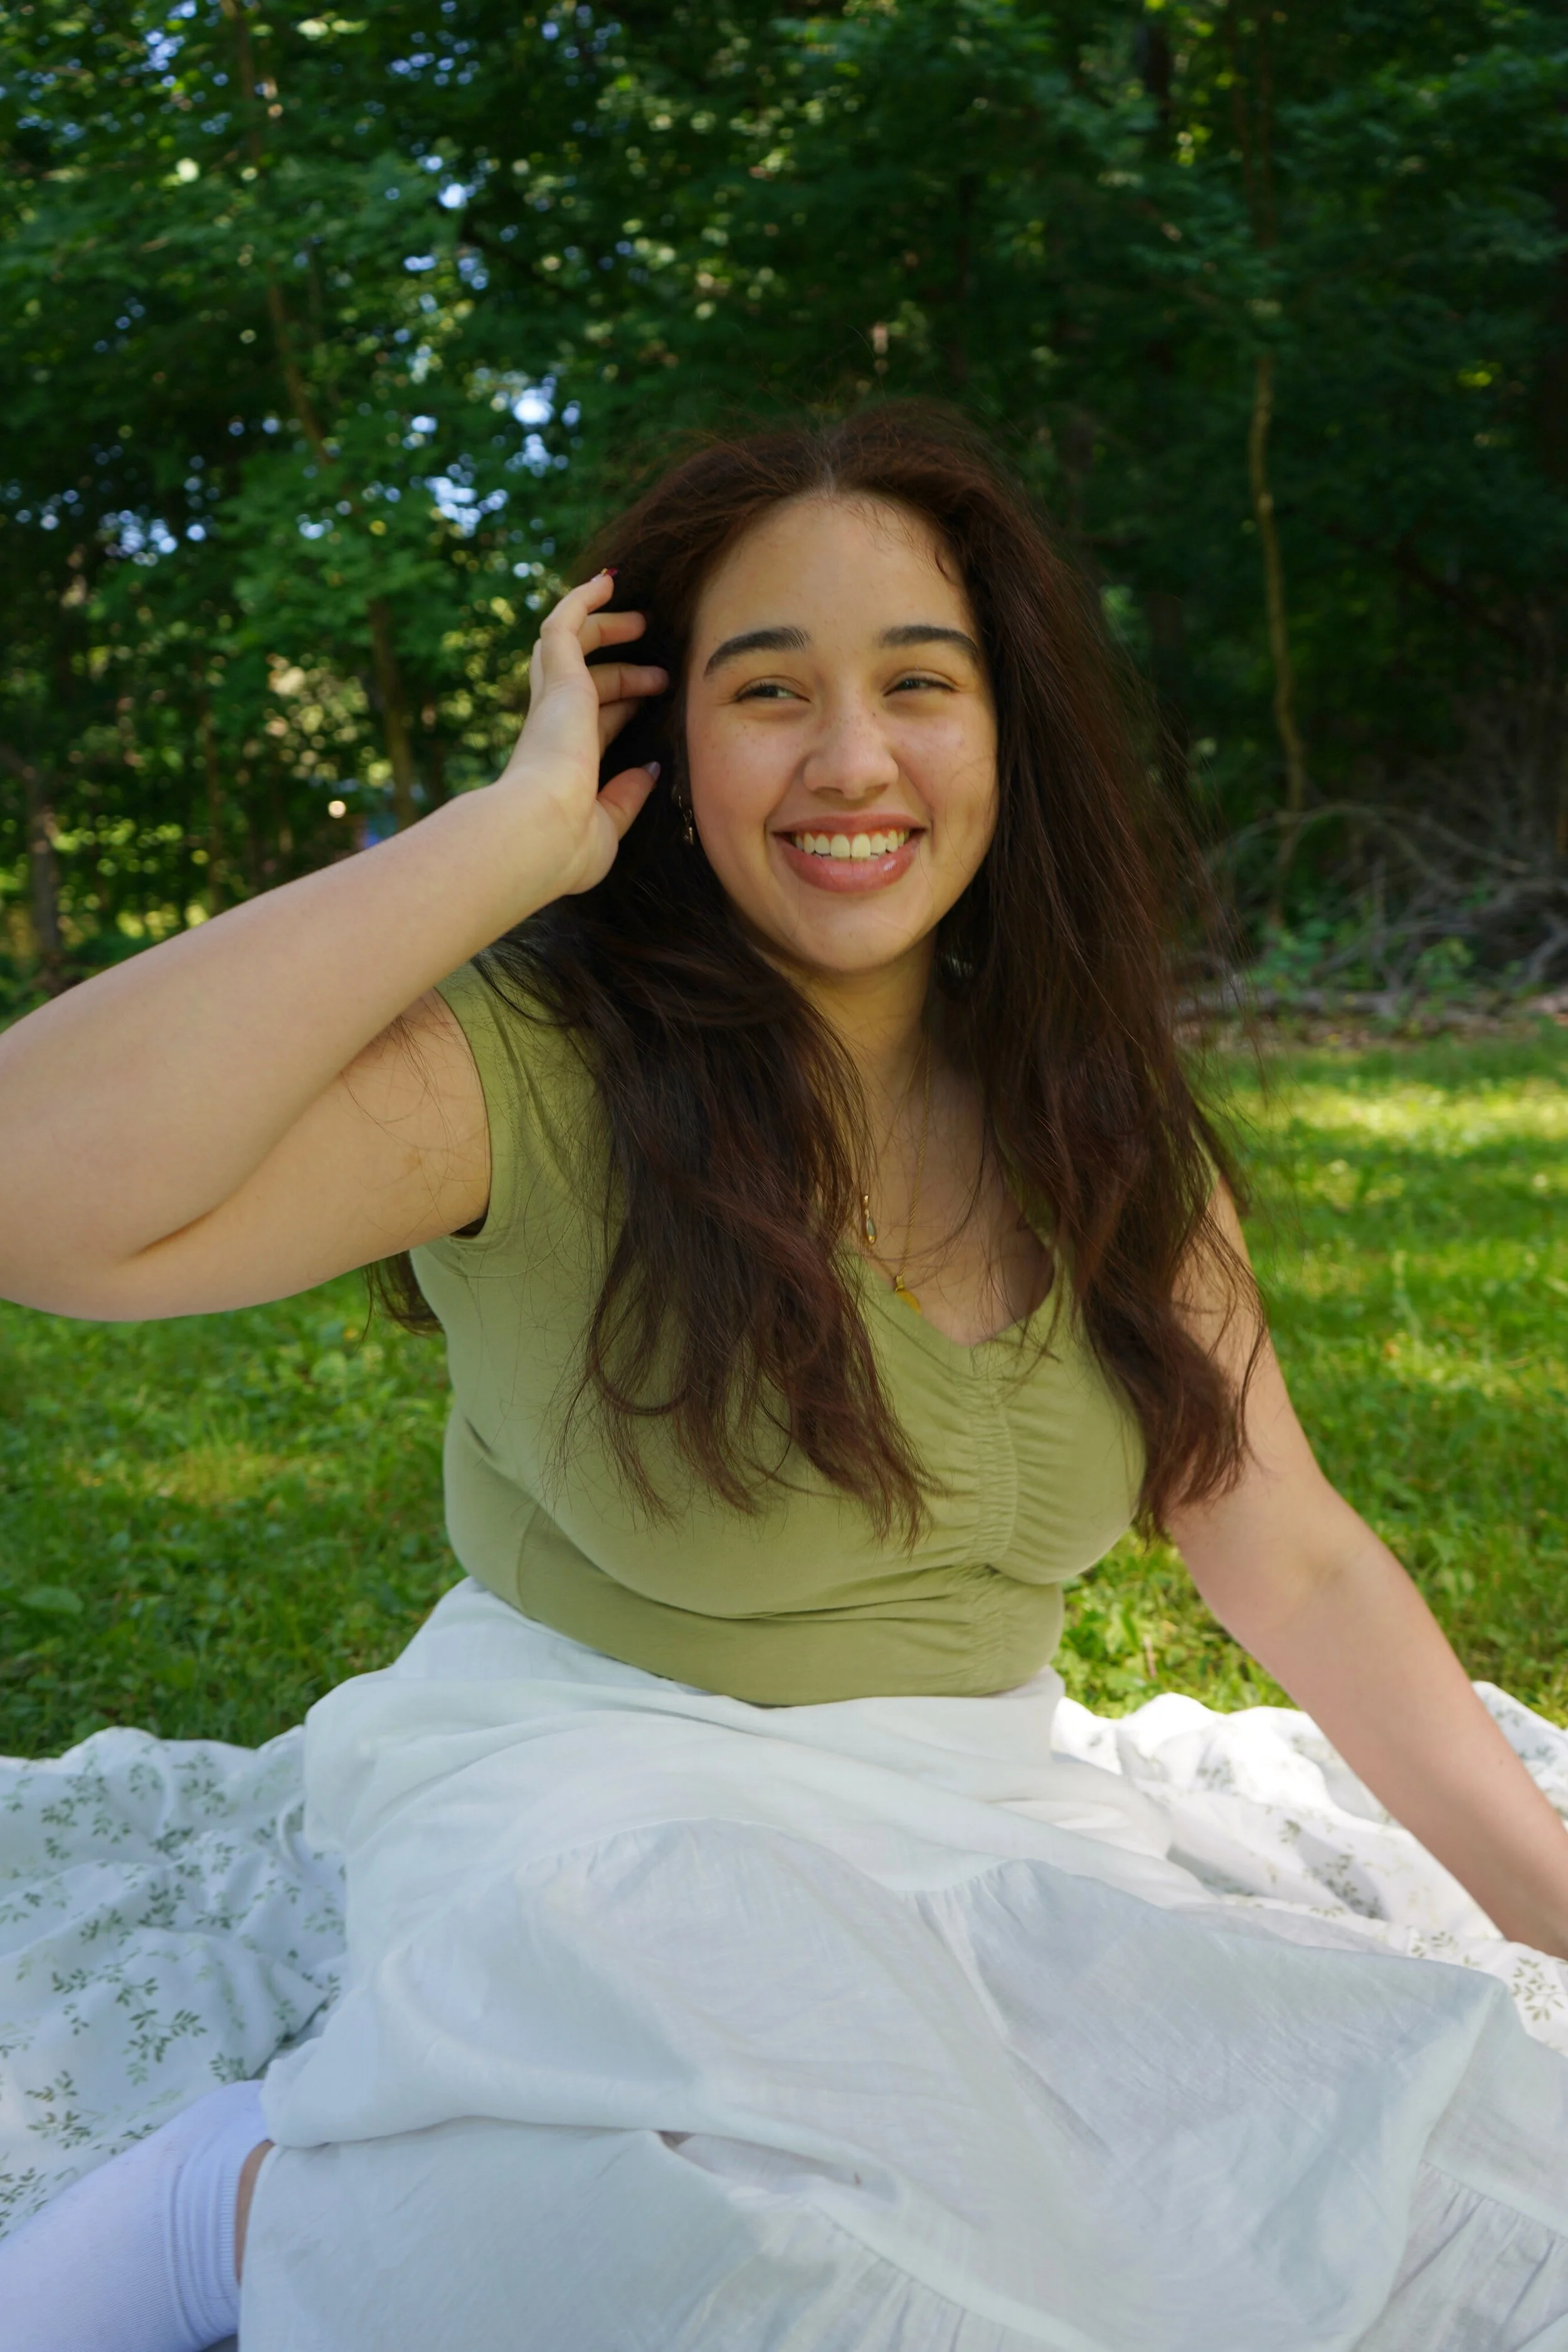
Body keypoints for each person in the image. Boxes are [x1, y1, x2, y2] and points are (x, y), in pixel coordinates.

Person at [1, 406, 1565, 2352]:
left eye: (919, 681)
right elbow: (27, 1190)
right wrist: (505, 838)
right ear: (658, 739)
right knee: (752, 2262)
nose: (851, 760)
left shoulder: (1081, 1097)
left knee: (1422, 2185)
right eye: (767, 692)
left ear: (1008, 729)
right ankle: (242, 2201)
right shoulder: (534, 1071)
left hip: (989, 1823)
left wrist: (1549, 1899)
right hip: (605, 1794)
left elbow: (1288, 1546)